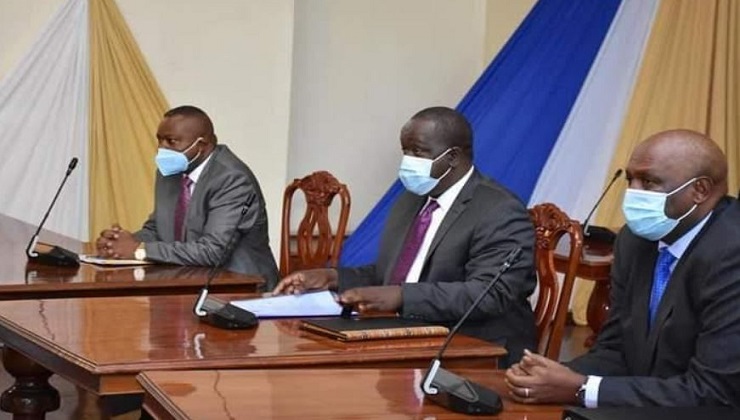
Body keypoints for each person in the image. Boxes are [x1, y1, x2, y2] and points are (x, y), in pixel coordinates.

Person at [273, 106, 537, 364]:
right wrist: (332, 277)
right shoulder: (412, 199)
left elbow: (489, 294)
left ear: (453, 158)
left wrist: (402, 296)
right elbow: (393, 273)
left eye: (418, 152)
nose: (408, 162)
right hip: (408, 334)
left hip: (476, 349)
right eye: (405, 152)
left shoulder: (499, 210)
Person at [505, 129, 740, 407]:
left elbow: (714, 391)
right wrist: (553, 376)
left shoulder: (731, 252)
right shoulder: (634, 241)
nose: (633, 193)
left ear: (699, 190)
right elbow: (615, 350)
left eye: (649, 182)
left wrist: (581, 389)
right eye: (630, 179)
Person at [95, 105, 279, 289]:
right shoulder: (169, 172)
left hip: (240, 286)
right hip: (188, 278)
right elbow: (158, 229)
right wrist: (119, 244)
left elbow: (212, 251)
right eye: (159, 140)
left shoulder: (231, 178)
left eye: (171, 141)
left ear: (202, 145)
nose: (162, 149)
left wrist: (139, 250)